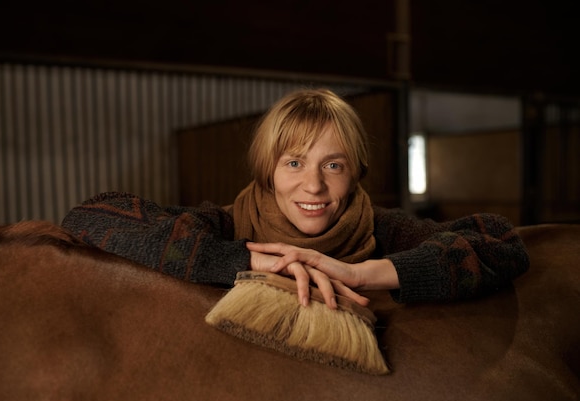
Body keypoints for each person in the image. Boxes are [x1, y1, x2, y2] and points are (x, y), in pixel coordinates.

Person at [62, 89, 530, 308]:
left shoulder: (381, 230)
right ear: (268, 170)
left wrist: (361, 273)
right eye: (293, 163)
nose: (313, 187)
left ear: (355, 173)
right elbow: (91, 216)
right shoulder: (229, 225)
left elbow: (501, 242)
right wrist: (243, 262)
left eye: (333, 165)